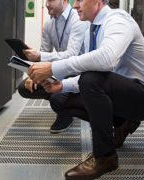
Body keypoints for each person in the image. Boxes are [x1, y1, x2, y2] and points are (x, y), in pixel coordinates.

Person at [27, 0, 144, 179]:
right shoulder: (91, 29)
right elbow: (92, 72)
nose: (75, 6)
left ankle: (105, 156)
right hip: (118, 93)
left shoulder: (118, 20)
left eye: (80, 0)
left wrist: (53, 68)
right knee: (60, 99)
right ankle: (121, 122)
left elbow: (106, 60)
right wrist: (61, 85)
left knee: (91, 79)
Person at [18, 0, 88, 133]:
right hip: (58, 70)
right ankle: (63, 103)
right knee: (24, 88)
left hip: (78, 72)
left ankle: (66, 111)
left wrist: (39, 56)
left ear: (64, 1)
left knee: (57, 98)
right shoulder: (49, 24)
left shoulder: (78, 20)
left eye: (51, 0)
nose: (47, 4)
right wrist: (33, 74)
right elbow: (44, 51)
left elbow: (71, 55)